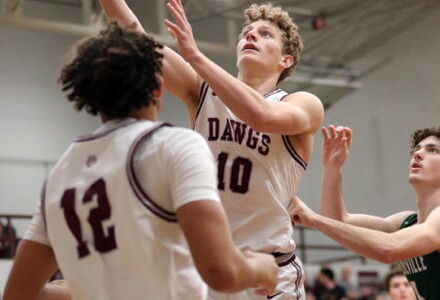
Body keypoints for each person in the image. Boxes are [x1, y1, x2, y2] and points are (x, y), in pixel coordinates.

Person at [52, 0, 324, 300]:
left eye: (265, 34)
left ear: (286, 60)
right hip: (206, 266)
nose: (251, 35)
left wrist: (194, 56)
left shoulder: (302, 104)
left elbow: (261, 117)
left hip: (268, 271)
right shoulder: (203, 89)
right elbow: (137, 41)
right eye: (247, 32)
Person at [3, 23, 278, 300]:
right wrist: (261, 268)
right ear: (158, 87)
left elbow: (17, 295)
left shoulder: (61, 172)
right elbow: (220, 272)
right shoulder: (174, 146)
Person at [289, 125, 440, 300]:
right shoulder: (405, 222)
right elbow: (336, 221)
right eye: (417, 149)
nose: (418, 154)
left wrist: (314, 220)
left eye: (433, 150)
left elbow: (389, 249)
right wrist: (332, 168)